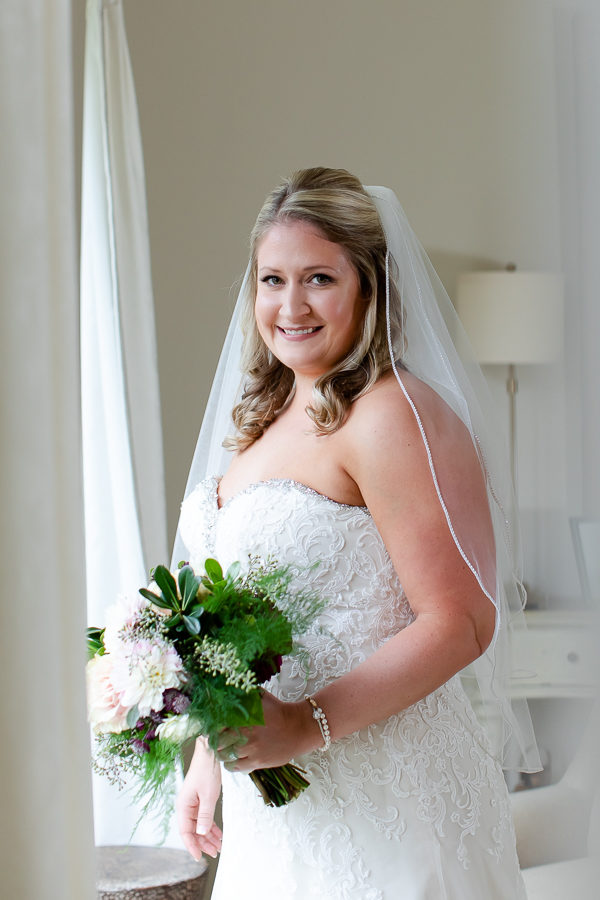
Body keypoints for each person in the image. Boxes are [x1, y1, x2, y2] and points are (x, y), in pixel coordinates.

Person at [173, 167, 540, 899]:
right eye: (272, 279)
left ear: (369, 287)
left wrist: (304, 727)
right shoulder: (262, 419)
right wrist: (209, 759)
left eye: (318, 278)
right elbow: (233, 621)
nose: (290, 304)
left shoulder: (389, 414)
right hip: (283, 818)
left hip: (388, 801)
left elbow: (462, 620)